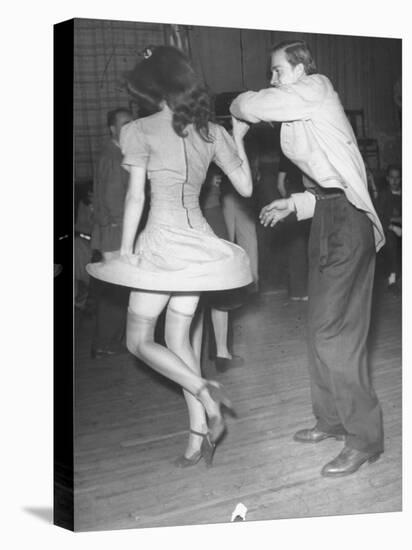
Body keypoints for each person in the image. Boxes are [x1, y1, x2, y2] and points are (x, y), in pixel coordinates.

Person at [87, 46, 253, 467]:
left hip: (161, 244)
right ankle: (198, 434)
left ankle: (203, 390)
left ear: (155, 88)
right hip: (198, 244)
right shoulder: (212, 131)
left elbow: (136, 197)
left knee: (138, 340)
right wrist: (241, 138)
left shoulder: (139, 130)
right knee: (179, 340)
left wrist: (126, 252)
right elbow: (247, 189)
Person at [230, 40, 385, 477]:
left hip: (349, 222)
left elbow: (252, 104)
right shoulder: (298, 114)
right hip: (328, 216)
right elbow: (328, 178)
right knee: (318, 329)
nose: (272, 78)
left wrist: (238, 107)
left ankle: (365, 440)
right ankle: (332, 421)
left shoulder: (317, 86)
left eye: (277, 71)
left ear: (299, 70)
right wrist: (295, 204)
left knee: (335, 335)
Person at [90, 108, 133, 359]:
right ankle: (105, 341)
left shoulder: (114, 151)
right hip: (115, 231)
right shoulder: (113, 155)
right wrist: (123, 226)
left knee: (114, 289)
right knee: (116, 291)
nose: (129, 128)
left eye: (132, 124)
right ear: (112, 129)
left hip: (112, 229)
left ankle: (106, 339)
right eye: (124, 124)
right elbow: (113, 199)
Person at [200, 165, 245, 373]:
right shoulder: (208, 137)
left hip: (187, 217)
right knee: (221, 284)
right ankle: (221, 352)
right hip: (210, 212)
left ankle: (206, 353)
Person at [276, 150, 310, 301]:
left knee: (302, 247)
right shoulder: (287, 153)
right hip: (299, 199)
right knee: (298, 246)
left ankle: (301, 291)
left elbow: (280, 184)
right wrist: (290, 202)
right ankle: (298, 291)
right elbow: (280, 184)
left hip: (306, 200)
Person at [378, 165, 402, 290]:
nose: (394, 181)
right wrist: (393, 225)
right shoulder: (384, 195)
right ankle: (392, 280)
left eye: (397, 178)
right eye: (392, 178)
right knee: (391, 240)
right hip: (388, 228)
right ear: (387, 179)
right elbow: (380, 217)